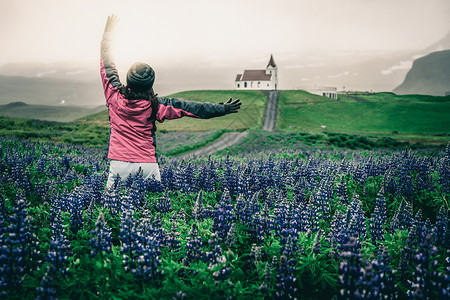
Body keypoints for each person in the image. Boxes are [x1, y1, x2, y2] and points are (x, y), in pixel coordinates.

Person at [100, 15, 241, 189]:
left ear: (128, 79)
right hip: (148, 165)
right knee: (152, 211)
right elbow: (192, 108)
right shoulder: (156, 105)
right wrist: (222, 109)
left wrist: (109, 32)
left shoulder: (113, 95)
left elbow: (107, 61)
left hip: (119, 163)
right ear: (150, 84)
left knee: (110, 209)